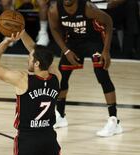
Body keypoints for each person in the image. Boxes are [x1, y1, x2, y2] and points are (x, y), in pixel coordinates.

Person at [48, 0, 123, 137]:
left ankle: (114, 121)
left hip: (93, 41)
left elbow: (108, 22)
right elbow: (54, 29)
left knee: (102, 75)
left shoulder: (88, 8)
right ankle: (60, 115)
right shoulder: (54, 10)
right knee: (62, 77)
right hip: (73, 42)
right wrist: (65, 51)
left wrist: (106, 50)